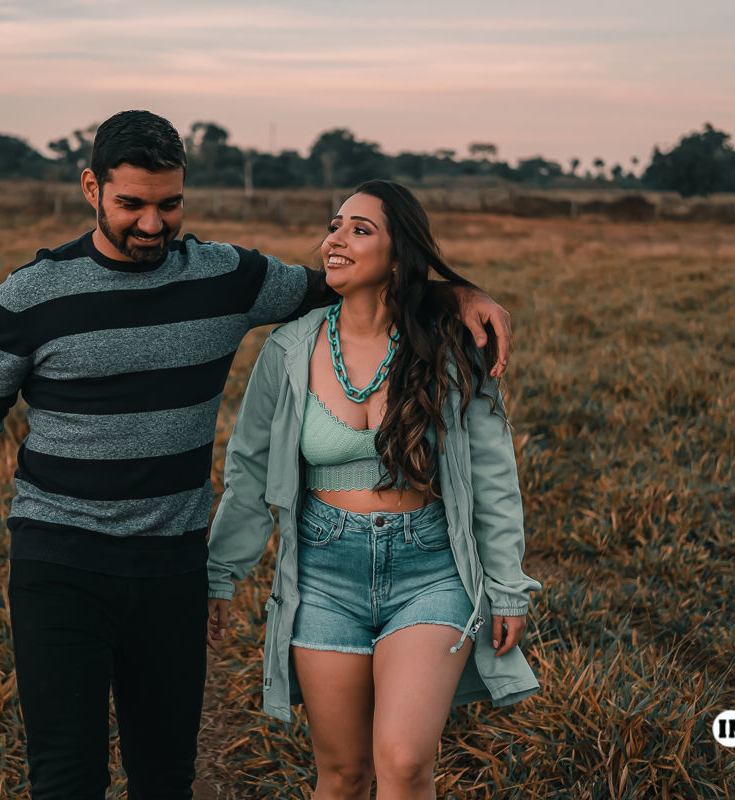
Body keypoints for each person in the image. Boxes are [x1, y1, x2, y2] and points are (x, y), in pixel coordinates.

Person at [0, 111, 514, 800]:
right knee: (66, 780)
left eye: (169, 204)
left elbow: (345, 282)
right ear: (91, 188)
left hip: (171, 571)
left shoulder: (226, 277)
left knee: (165, 779)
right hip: (60, 566)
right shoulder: (31, 297)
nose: (153, 224)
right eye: (131, 204)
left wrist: (456, 292)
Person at [206, 180, 541, 800]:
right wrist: (220, 572)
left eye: (360, 230)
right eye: (335, 225)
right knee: (342, 776)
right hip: (324, 577)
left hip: (430, 570)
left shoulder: (450, 347)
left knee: (406, 761)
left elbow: (496, 476)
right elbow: (249, 473)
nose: (335, 239)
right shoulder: (288, 349)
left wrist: (507, 586)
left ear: (398, 255)